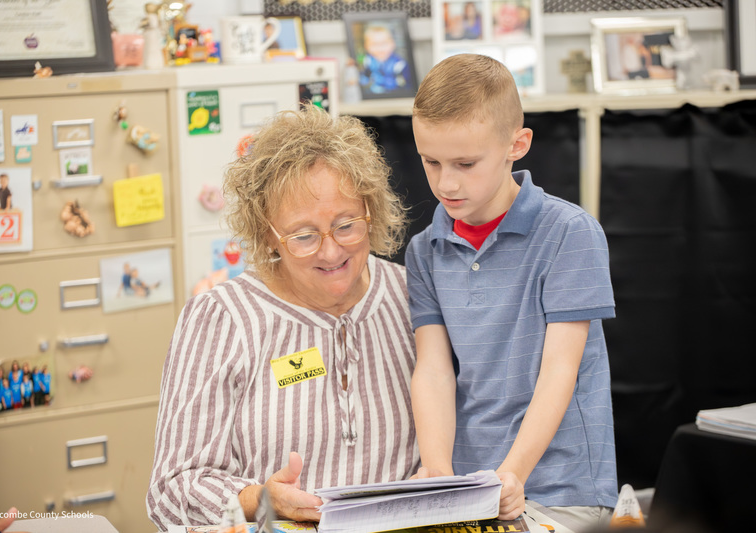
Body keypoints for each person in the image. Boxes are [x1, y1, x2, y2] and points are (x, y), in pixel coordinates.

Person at [147, 104, 418, 530]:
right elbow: (171, 490)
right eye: (304, 236)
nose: (331, 252)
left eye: (347, 225)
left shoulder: (412, 296)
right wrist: (258, 499)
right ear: (267, 235)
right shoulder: (221, 318)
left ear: (372, 211)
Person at [406, 54, 617, 530]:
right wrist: (439, 471)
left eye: (465, 163)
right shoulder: (424, 252)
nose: (446, 182)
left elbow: (560, 369)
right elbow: (434, 369)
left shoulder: (570, 233)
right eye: (430, 161)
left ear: (516, 145)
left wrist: (512, 474)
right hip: (469, 491)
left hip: (564, 489)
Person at [358, 24, 411, 95]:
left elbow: (406, 84)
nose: (380, 48)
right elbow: (364, 77)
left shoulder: (399, 64)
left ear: (392, 44)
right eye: (374, 44)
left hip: (394, 93)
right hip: (373, 94)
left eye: (384, 43)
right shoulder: (368, 61)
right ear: (366, 46)